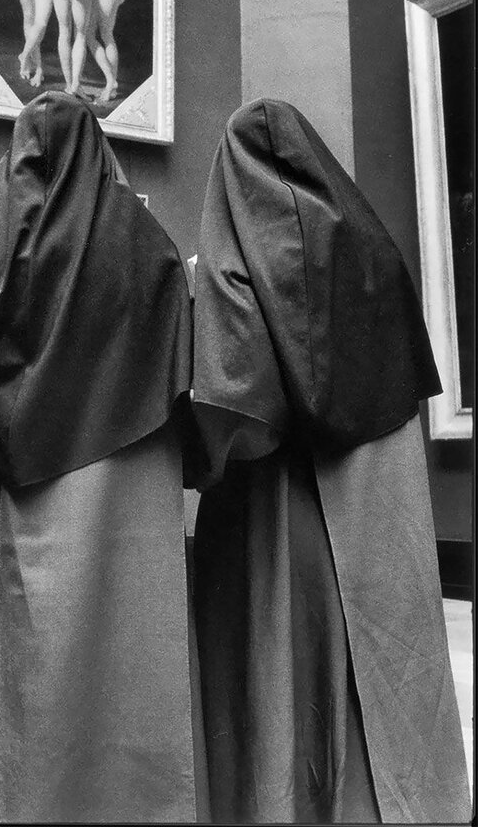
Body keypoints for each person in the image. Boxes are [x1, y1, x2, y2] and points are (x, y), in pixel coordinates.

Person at [190, 99, 472, 824]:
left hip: (276, 518)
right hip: (376, 506)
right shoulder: (375, 252)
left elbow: (237, 417)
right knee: (373, 676)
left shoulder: (231, 269)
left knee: (285, 678)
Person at [0, 91, 207, 824]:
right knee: (137, 659)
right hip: (135, 497)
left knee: (40, 658)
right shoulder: (150, 247)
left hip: (33, 492)